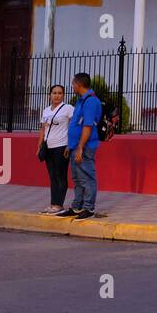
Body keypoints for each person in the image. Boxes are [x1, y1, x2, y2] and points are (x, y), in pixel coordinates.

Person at [57, 73, 103, 220]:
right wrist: (70, 146)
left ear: (79, 84)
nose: (72, 86)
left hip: (85, 147)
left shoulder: (90, 102)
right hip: (75, 146)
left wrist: (80, 148)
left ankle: (88, 208)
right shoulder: (80, 100)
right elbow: (76, 124)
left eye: (73, 84)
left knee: (88, 177)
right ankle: (77, 206)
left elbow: (87, 127)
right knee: (77, 178)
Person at [38, 85, 72, 214]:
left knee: (60, 175)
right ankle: (53, 204)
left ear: (63, 95)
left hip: (61, 146)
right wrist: (39, 145)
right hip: (48, 147)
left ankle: (59, 205)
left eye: (59, 93)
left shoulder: (68, 109)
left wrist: (70, 144)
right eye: (54, 93)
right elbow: (42, 129)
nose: (57, 95)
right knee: (52, 176)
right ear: (50, 95)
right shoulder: (46, 110)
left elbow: (75, 125)